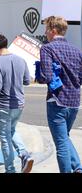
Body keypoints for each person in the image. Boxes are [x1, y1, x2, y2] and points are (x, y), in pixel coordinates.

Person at [37, 16, 82, 173]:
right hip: (75, 102)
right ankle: (77, 168)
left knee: (61, 144)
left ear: (53, 30)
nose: (45, 33)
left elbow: (47, 77)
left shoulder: (47, 48)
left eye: (46, 30)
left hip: (57, 101)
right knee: (64, 137)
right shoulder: (77, 50)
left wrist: (39, 73)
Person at [0, 34, 34, 173]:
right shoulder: (21, 60)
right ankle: (24, 154)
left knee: (5, 138)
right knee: (12, 130)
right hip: (19, 104)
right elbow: (27, 81)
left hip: (4, 106)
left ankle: (10, 170)